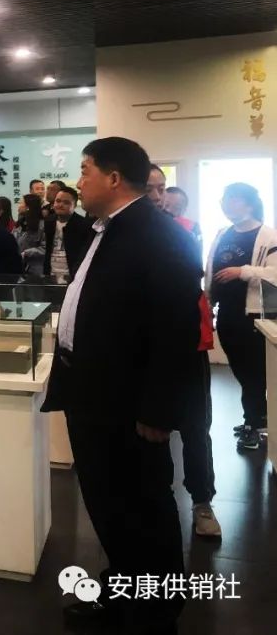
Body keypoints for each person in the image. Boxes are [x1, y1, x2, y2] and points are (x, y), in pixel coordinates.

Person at [42, 138, 200, 634]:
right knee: (109, 506)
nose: (78, 181)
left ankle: (154, 614)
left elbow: (176, 330)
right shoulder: (108, 229)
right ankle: (122, 593)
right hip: (92, 391)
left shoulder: (157, 233)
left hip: (128, 403)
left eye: (85, 170)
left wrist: (158, 410)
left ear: (113, 178)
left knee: (143, 510)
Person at [144, 169, 221, 536]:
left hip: (188, 346)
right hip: (145, 351)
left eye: (161, 188)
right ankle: (154, 504)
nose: (158, 196)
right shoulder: (122, 234)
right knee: (148, 431)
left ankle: (202, 500)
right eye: (150, 188)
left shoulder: (183, 232)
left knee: (194, 427)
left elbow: (191, 285)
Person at [206, 182, 277, 451]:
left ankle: (253, 423)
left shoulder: (269, 236)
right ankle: (260, 415)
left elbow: (275, 274)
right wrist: (208, 299)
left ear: (248, 203)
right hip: (227, 313)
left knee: (253, 372)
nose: (225, 204)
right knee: (241, 370)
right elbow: (211, 269)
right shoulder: (223, 233)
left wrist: (243, 271)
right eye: (223, 200)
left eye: (231, 199)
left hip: (254, 316)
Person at [43, 186, 92, 281]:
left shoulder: (84, 225)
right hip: (51, 275)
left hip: (74, 276)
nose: (60, 205)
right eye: (58, 201)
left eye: (66, 202)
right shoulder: (48, 221)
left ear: (74, 205)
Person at [14, 193, 46, 276]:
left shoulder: (42, 225)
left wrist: (26, 253)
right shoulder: (20, 223)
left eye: (21, 203)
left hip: (36, 270)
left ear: (28, 207)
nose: (19, 206)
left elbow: (45, 248)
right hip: (19, 267)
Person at [165, 186, 204, 252]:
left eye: (177, 208)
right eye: (166, 205)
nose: (168, 210)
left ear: (184, 210)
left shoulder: (192, 228)